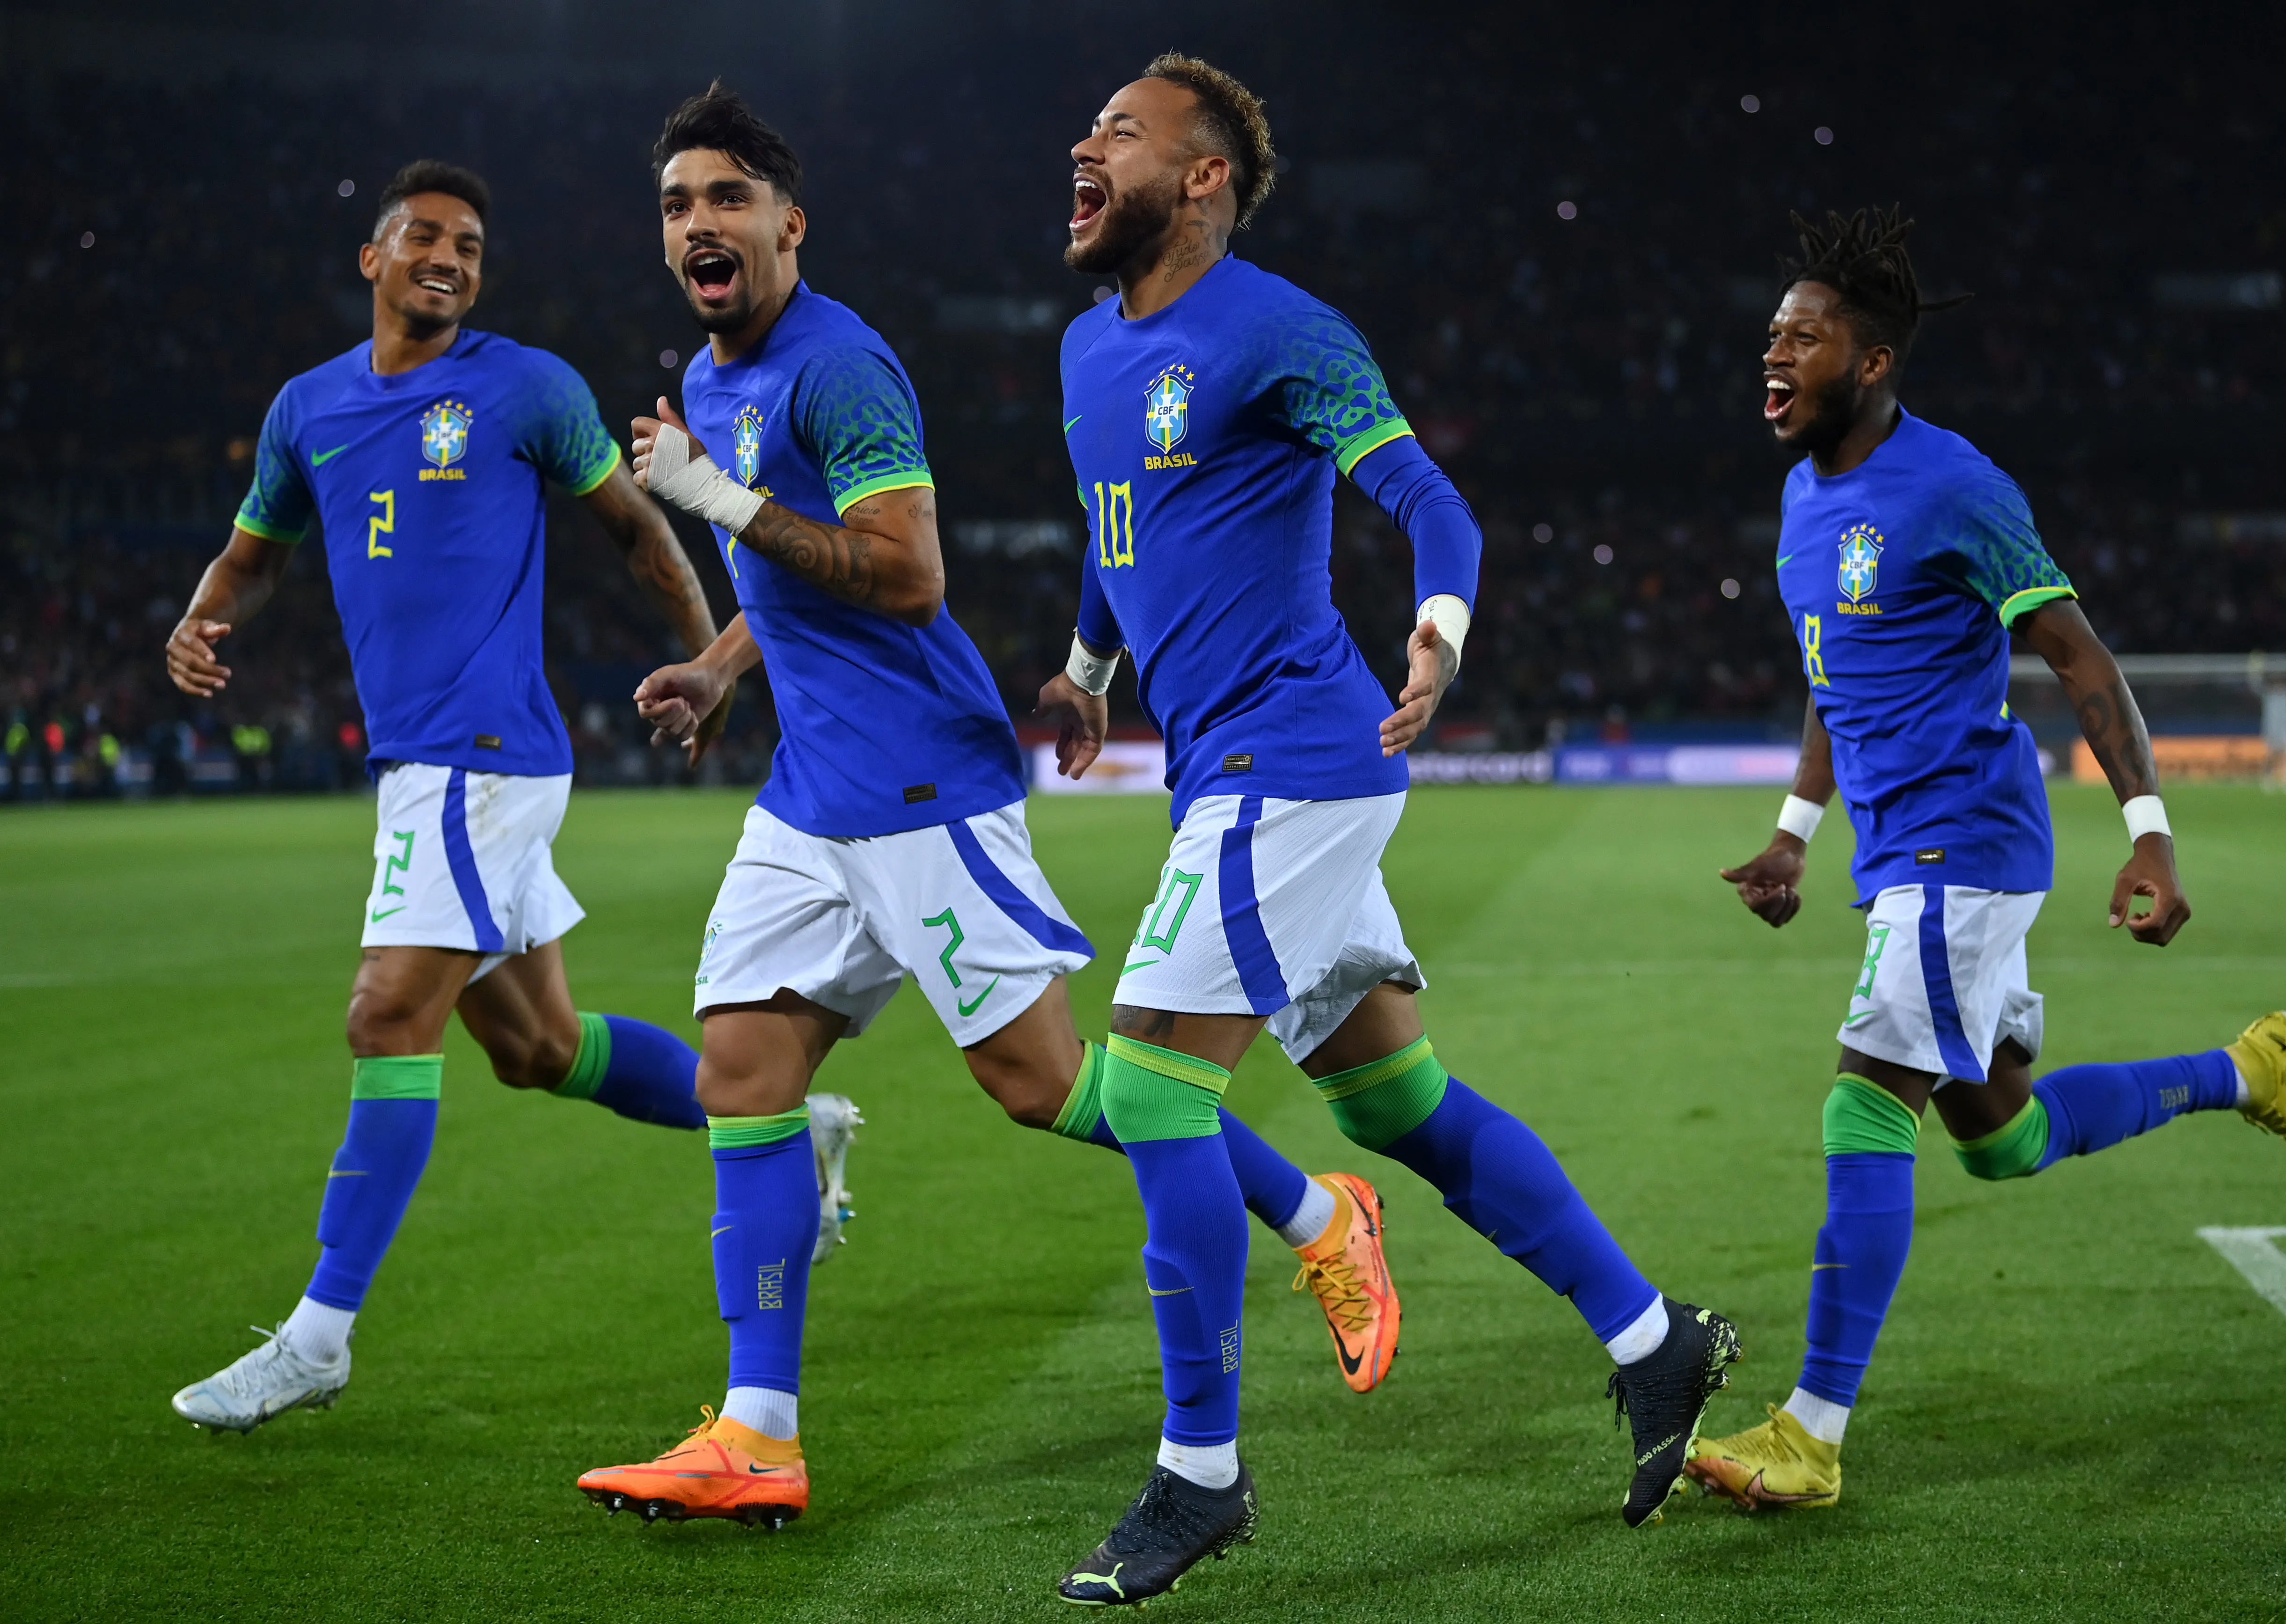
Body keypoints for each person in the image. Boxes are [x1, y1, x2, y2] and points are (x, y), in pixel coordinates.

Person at [572, 84, 1398, 1534]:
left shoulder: (844, 368)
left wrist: (716, 503)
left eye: (725, 200)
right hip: (810, 789)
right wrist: (715, 668)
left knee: (1055, 1086)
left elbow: (904, 575)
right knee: (743, 1073)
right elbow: (786, 580)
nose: (699, 225)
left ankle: (1319, 1213)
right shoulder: (709, 383)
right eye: (676, 205)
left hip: (916, 782)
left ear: (788, 225)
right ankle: (758, 1430)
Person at [1040, 56, 1744, 1606]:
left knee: (1149, 1083)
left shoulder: (1283, 331)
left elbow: (1436, 503)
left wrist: (1436, 633)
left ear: (1205, 176)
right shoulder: (1092, 348)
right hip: (1228, 768)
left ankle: (1199, 1477)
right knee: (1396, 1105)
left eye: (1122, 133)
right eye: (1088, 129)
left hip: (1292, 758)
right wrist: (1088, 673)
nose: (1085, 147)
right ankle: (1654, 1338)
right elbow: (1117, 533)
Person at [1687, 207, 2286, 1512]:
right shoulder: (1800, 498)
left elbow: (2083, 663)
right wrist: (1795, 830)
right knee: (2002, 1135)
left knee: (1862, 1101)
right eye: (1771, 335)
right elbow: (1838, 672)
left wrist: (2149, 833)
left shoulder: (1955, 486)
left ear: (1871, 362)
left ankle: (1810, 1431)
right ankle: (2250, 1066)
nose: (1775, 356)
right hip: (1899, 854)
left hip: (1964, 844)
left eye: (1804, 338)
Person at [164, 161, 728, 1434]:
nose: (450, 257)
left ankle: (317, 1335)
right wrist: (201, 617)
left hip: (484, 754)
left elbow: (640, 532)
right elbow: (248, 558)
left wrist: (707, 656)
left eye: (470, 245)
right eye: (424, 236)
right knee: (539, 1051)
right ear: (373, 259)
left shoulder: (525, 385)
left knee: (384, 1016)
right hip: (419, 764)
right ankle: (778, 1124)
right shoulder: (307, 409)